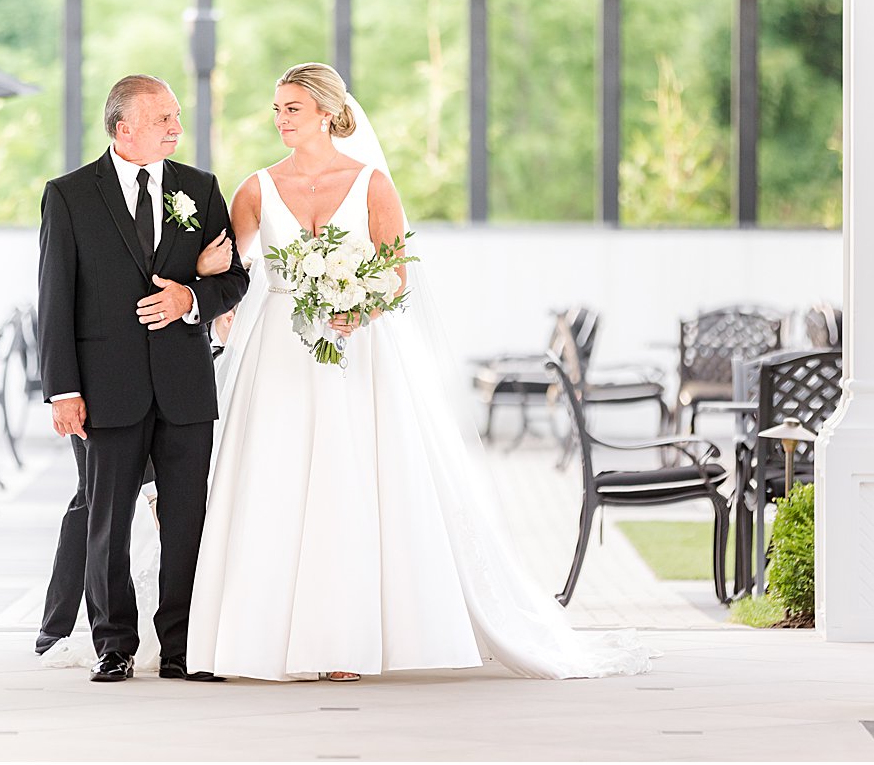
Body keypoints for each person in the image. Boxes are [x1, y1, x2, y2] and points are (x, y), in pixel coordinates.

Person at [184, 63, 655, 682]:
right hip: (279, 352)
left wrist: (359, 305)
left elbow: (397, 275)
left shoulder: (373, 185)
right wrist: (207, 269)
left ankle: (342, 642)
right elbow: (233, 269)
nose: (280, 119)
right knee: (273, 477)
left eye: (292, 107)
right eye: (276, 108)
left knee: (350, 480)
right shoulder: (254, 189)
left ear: (327, 111)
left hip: (358, 354)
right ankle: (256, 635)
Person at [37, 74, 248, 683]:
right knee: (107, 521)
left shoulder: (201, 190)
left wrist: (191, 296)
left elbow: (234, 277)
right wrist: (63, 389)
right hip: (105, 389)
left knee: (189, 520)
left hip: (184, 385)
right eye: (164, 120)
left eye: (177, 118)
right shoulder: (70, 194)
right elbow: (54, 298)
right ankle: (115, 643)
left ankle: (182, 645)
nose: (177, 129)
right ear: (122, 128)